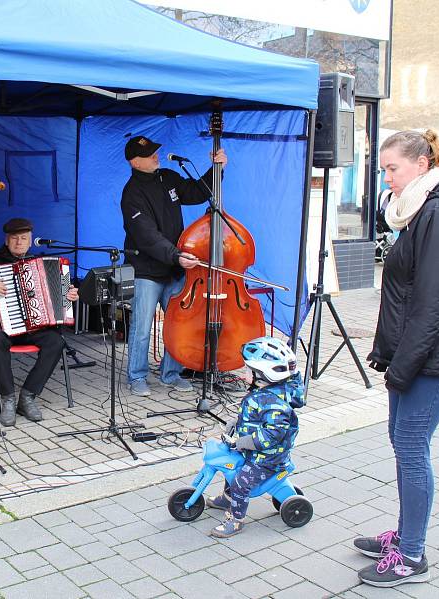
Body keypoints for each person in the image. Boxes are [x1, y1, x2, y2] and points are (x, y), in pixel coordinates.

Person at [358, 130, 439, 587]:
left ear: (422, 163)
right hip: (416, 352)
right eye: (384, 169)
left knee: (411, 447)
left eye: (392, 168)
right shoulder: (417, 211)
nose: (386, 177)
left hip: (434, 356)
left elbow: (430, 304)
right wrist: (389, 354)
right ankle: (405, 535)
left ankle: (412, 555)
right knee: (402, 442)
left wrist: (401, 367)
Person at [120, 134, 227, 396]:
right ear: (135, 162)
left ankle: (171, 374)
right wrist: (175, 255)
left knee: (179, 324)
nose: (156, 155)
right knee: (142, 327)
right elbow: (146, 235)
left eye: (156, 151)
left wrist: (216, 169)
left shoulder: (167, 176)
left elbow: (196, 192)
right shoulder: (131, 194)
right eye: (149, 155)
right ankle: (137, 377)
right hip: (146, 270)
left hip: (175, 267)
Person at [0, 217, 78, 426]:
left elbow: (62, 295)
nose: (19, 242)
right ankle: (7, 398)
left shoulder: (40, 262)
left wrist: (69, 296)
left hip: (32, 326)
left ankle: (28, 396)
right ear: (6, 240)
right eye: (14, 238)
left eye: (23, 238)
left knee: (56, 342)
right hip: (1, 325)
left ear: (31, 240)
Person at [205, 336, 304, 538]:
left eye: (248, 370)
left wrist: (242, 442)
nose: (244, 373)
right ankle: (228, 497)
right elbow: (254, 419)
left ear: (263, 374)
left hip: (268, 459)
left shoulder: (276, 404)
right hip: (254, 453)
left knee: (241, 481)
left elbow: (271, 435)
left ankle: (236, 519)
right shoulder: (263, 392)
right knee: (230, 466)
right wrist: (237, 424)